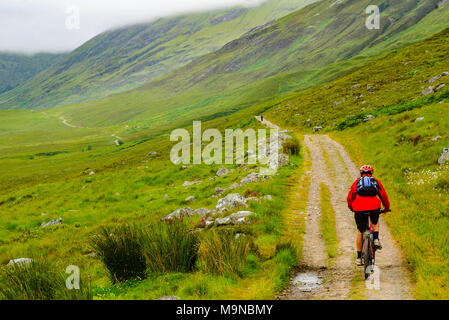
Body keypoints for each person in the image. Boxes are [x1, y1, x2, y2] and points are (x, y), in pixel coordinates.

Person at [347, 165, 390, 266]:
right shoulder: (375, 181)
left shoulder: (357, 182)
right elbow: (383, 195)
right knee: (375, 222)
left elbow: (350, 197)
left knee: (360, 231)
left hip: (358, 208)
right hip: (374, 207)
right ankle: (375, 239)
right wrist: (386, 208)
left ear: (361, 173)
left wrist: (351, 208)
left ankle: (358, 258)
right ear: (371, 173)